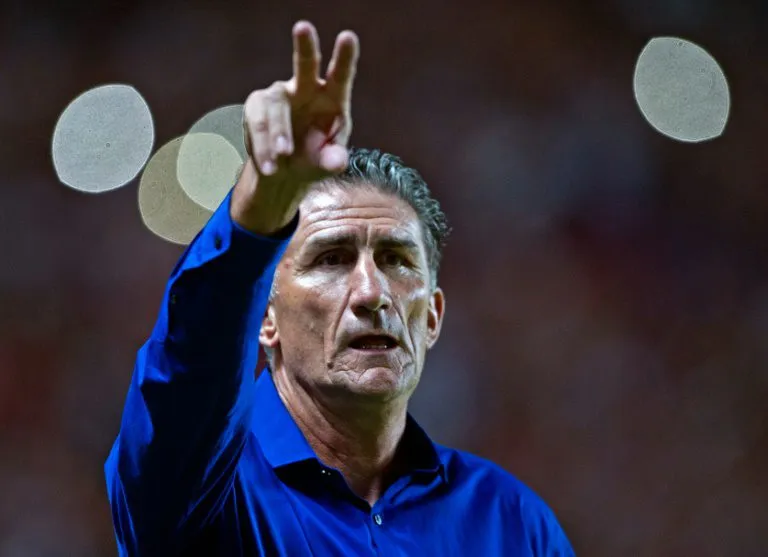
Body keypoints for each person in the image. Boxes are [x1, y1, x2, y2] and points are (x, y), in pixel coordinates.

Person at [105, 20, 575, 557]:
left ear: (432, 317)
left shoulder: (511, 523)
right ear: (264, 317)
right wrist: (257, 210)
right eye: (331, 259)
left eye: (396, 259)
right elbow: (185, 375)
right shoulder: (200, 493)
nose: (372, 293)